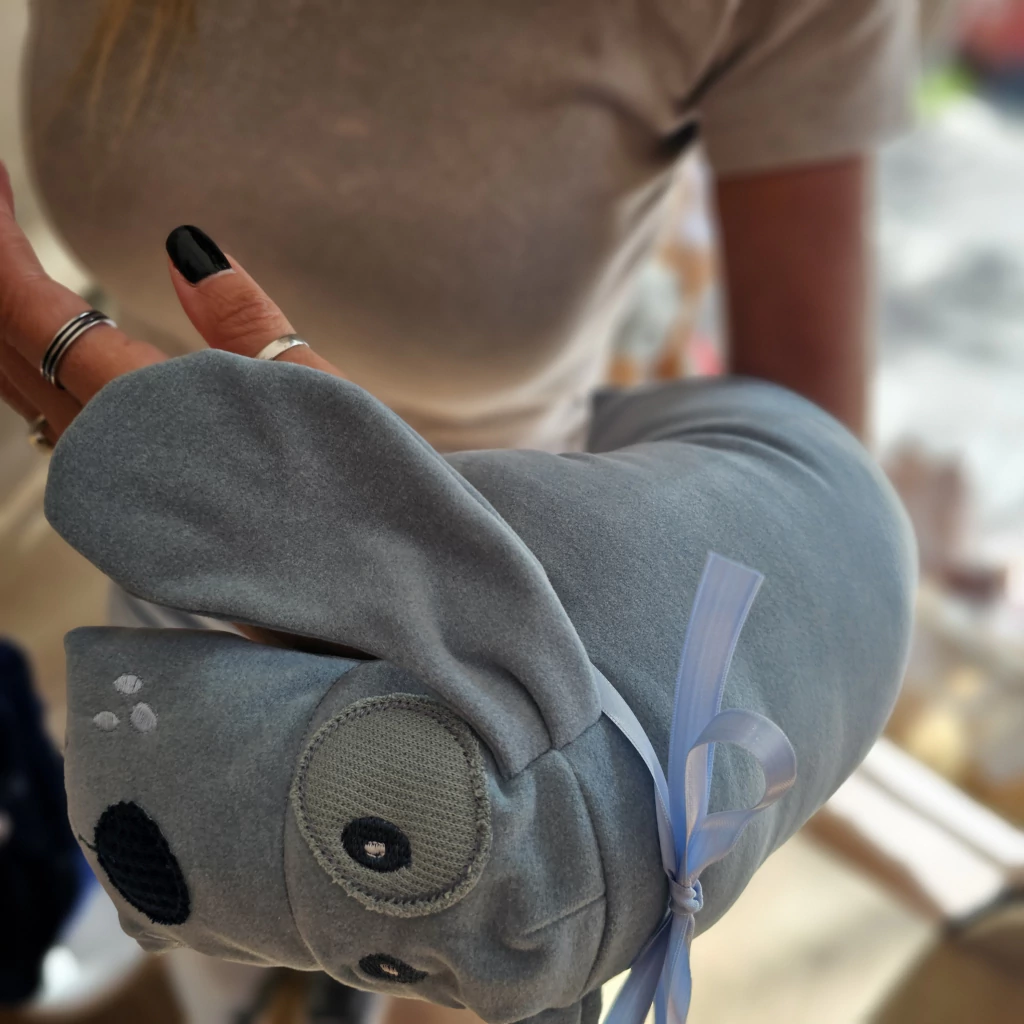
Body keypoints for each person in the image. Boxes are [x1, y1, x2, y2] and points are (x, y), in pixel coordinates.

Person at [4, 0, 918, 1020]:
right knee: (215, 955)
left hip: (511, 700)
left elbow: (829, 536)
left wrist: (589, 842)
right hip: (158, 547)